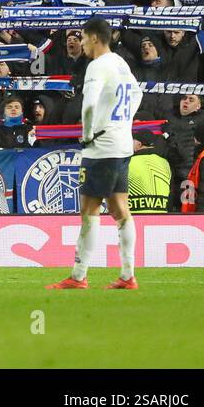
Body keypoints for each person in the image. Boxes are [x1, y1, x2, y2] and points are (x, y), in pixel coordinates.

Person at [49, 18, 143, 291]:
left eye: (83, 37)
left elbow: (88, 105)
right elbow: (136, 94)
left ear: (94, 38)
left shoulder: (97, 66)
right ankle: (128, 275)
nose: (81, 43)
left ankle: (78, 276)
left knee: (89, 211)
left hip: (102, 147)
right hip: (122, 144)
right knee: (119, 210)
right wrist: (123, 122)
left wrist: (88, 134)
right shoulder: (120, 63)